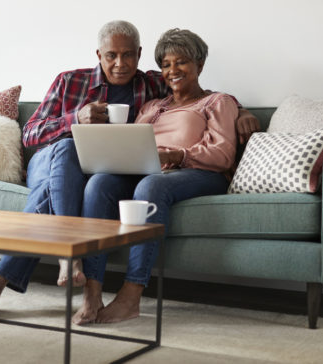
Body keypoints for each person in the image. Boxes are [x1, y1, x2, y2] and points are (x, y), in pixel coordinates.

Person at [0, 21, 258, 319]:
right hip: (51, 159)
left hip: (116, 170)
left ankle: (6, 280)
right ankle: (71, 253)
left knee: (94, 184)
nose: (121, 64)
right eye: (111, 56)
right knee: (68, 151)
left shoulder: (151, 87)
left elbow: (205, 97)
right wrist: (74, 120)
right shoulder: (73, 81)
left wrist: (241, 110)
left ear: (139, 54)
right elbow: (29, 134)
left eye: (129, 55)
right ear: (99, 54)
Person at [72, 28, 239, 325]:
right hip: (150, 170)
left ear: (200, 65)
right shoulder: (151, 106)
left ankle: (131, 296)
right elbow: (133, 143)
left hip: (200, 173)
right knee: (99, 183)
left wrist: (176, 155)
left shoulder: (217, 102)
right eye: (165, 64)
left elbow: (224, 154)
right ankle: (92, 289)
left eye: (182, 62)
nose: (172, 70)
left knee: (151, 185)